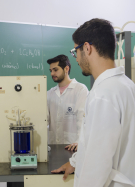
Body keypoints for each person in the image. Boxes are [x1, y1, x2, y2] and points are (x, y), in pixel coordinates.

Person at [51, 19, 135, 187]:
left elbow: (97, 162)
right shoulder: (127, 85)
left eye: (76, 51)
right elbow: (92, 140)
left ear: (87, 48)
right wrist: (74, 162)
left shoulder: (102, 95)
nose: (76, 59)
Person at [47, 55, 88, 151]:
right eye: (50, 71)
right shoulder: (50, 93)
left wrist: (79, 141)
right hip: (53, 147)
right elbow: (45, 121)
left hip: (73, 148)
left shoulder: (80, 90)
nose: (52, 73)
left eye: (55, 70)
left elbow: (82, 119)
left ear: (66, 68)